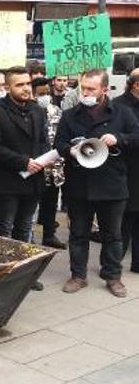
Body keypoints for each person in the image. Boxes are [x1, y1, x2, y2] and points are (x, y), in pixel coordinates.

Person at [55, 70, 139, 298]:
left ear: (104, 89)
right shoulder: (71, 115)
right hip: (80, 185)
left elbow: (136, 135)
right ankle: (78, 275)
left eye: (91, 89)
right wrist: (70, 150)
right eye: (84, 88)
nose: (86, 93)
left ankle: (113, 276)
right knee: (78, 234)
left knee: (113, 235)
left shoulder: (122, 113)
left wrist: (119, 138)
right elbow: (59, 142)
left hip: (112, 184)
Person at [0, 67, 49, 290]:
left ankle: (24, 273)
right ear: (8, 87)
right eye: (19, 85)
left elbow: (43, 140)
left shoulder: (38, 111)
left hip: (33, 179)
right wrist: (22, 162)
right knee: (4, 228)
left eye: (27, 84)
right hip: (7, 181)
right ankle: (3, 273)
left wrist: (43, 158)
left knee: (25, 227)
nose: (25, 89)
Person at [32, 77, 67, 249]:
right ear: (33, 94)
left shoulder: (56, 111)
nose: (44, 97)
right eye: (40, 94)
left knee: (51, 202)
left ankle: (49, 235)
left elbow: (61, 136)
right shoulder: (28, 111)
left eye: (47, 93)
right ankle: (27, 236)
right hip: (33, 166)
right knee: (30, 205)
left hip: (53, 167)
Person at [115, 68, 139, 273]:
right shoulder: (119, 106)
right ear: (136, 85)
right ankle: (114, 264)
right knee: (124, 218)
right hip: (126, 169)